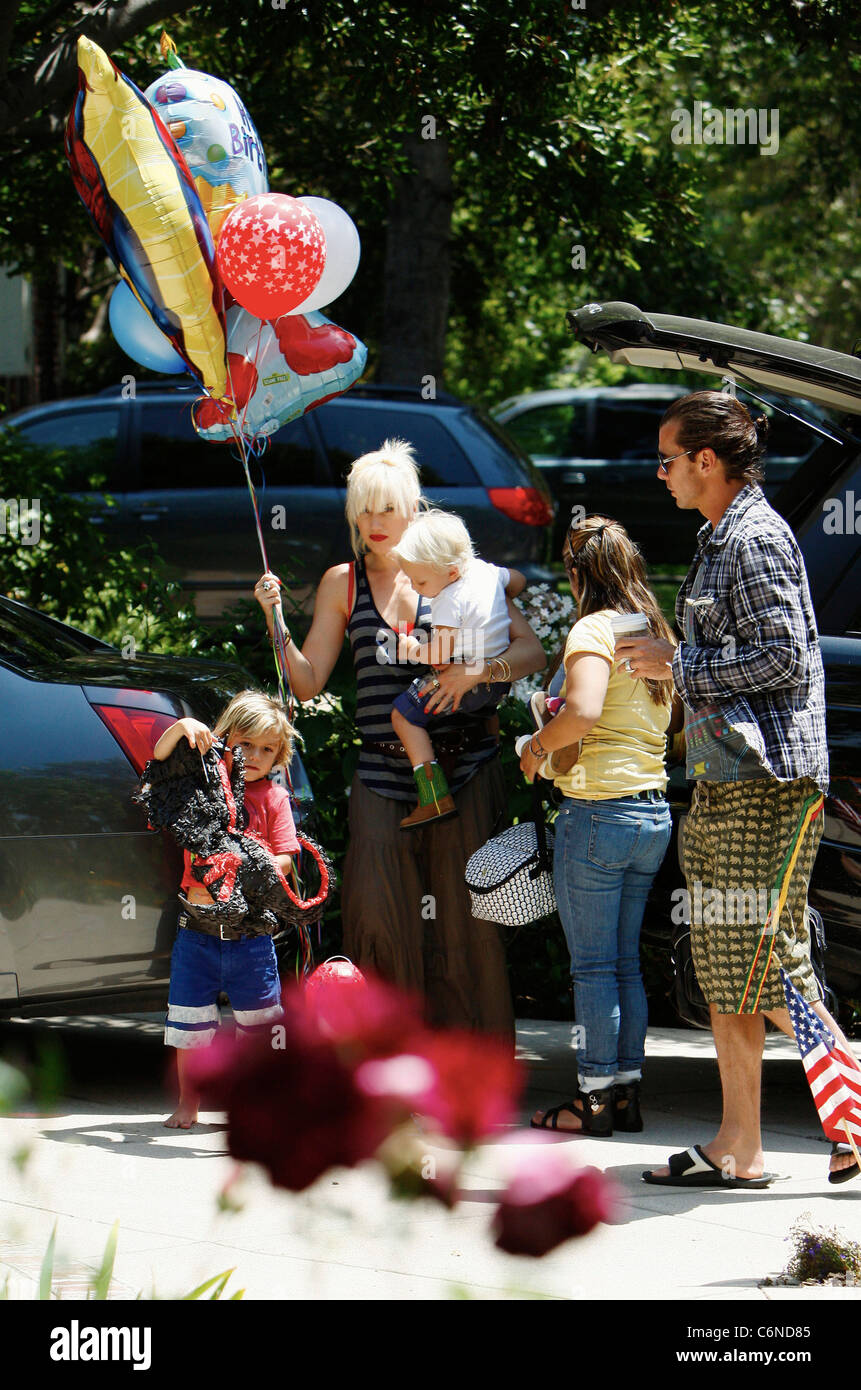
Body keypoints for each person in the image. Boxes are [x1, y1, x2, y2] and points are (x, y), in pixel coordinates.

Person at [617, 390, 859, 1186]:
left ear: (707, 461)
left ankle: (851, 1114)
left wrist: (673, 663)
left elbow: (785, 659)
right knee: (727, 964)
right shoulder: (719, 536)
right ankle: (739, 1147)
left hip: (769, 782)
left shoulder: (754, 539)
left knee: (768, 957)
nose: (659, 474)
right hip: (726, 781)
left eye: (667, 459)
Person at [254, 438, 546, 1036]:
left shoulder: (453, 569)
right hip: (383, 774)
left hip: (467, 764)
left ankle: (469, 1074)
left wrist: (477, 671)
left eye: (386, 508)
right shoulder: (343, 582)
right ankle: (386, 1066)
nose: (373, 523)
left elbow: (531, 651)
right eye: (362, 510)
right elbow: (306, 684)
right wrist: (274, 617)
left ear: (414, 509)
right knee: (379, 918)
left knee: (468, 924)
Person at [522, 515, 676, 1136]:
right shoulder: (652, 630)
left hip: (597, 813)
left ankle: (591, 1101)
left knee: (591, 968)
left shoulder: (594, 628)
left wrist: (535, 747)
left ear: (578, 570)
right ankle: (626, 1096)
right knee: (624, 964)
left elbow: (582, 710)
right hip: (651, 814)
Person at [156, 691, 300, 1129]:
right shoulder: (204, 783)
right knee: (190, 1028)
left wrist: (247, 862)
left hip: (251, 938)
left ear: (279, 755)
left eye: (267, 748)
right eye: (246, 743)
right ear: (226, 736)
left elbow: (287, 858)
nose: (254, 756)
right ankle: (189, 1104)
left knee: (259, 1030)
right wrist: (181, 728)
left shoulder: (274, 798)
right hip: (196, 934)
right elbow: (160, 764)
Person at [388, 509, 526, 828]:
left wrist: (411, 647)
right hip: (495, 681)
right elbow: (517, 579)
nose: (416, 587)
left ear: (451, 572)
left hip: (469, 684)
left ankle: (434, 798)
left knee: (403, 715)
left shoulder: (447, 599)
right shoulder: (485, 571)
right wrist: (499, 602)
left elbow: (439, 655)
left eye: (420, 580)